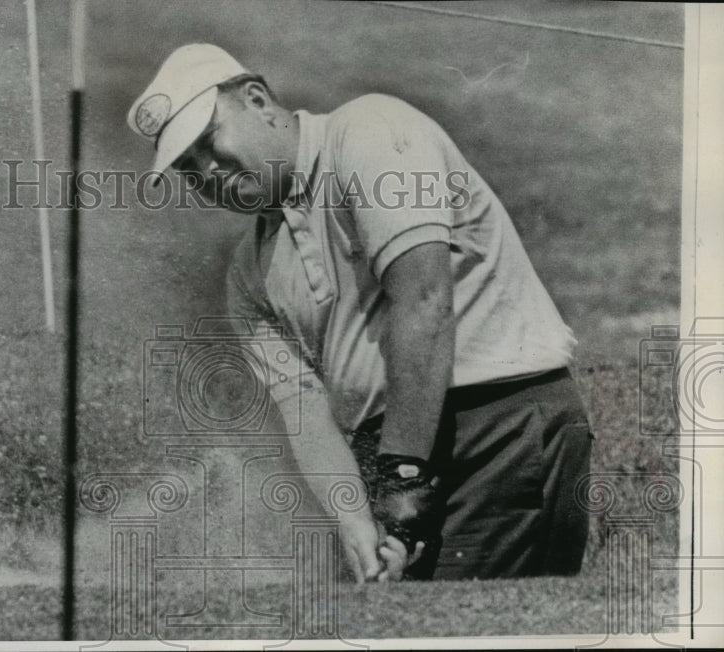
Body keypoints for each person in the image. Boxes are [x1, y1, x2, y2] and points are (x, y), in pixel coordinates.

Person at [127, 43, 594, 583]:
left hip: (495, 427)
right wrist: (355, 521)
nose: (207, 171)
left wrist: (404, 480)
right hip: (394, 457)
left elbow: (424, 300)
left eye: (209, 141)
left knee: (466, 622)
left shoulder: (369, 130)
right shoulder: (247, 274)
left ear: (256, 100)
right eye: (187, 169)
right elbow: (302, 410)